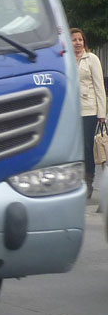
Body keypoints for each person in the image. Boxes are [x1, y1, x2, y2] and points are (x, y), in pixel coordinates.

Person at [71, 27, 106, 198]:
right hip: (71, 111)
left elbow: (99, 86)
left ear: (84, 42)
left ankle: (88, 181)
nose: (77, 43)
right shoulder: (65, 60)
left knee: (86, 146)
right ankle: (75, 181)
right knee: (73, 147)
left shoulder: (91, 59)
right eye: (73, 40)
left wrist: (102, 113)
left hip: (89, 110)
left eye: (79, 39)